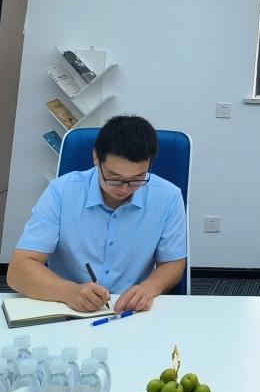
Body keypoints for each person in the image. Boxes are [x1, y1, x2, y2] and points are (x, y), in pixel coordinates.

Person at [7, 115, 187, 313]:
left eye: (137, 178)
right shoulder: (61, 192)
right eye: (114, 177)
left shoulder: (168, 197)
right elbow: (19, 270)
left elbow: (173, 263)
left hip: (132, 310)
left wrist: (148, 289)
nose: (124, 188)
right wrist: (70, 292)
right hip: (68, 309)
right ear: (95, 158)